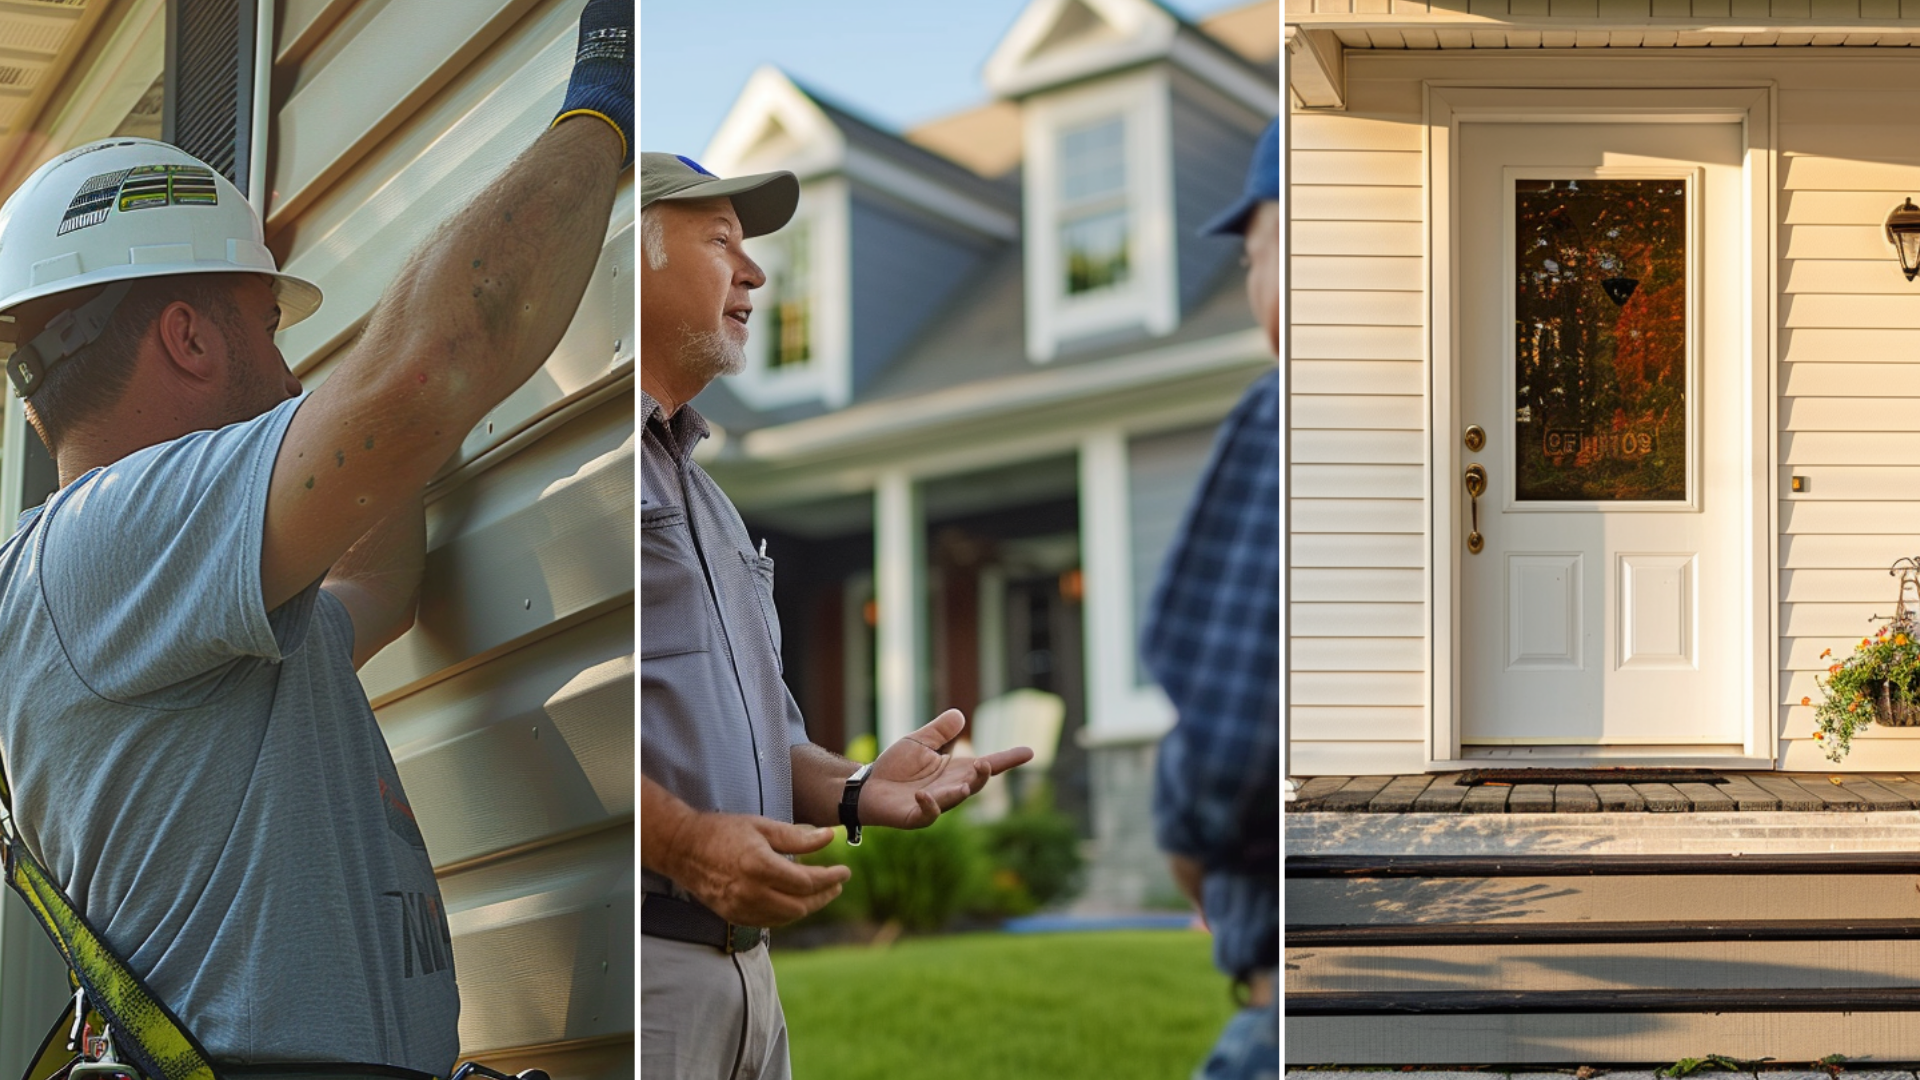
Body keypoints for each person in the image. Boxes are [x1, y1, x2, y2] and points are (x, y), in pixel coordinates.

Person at [0, 1, 631, 1072]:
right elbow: (428, 374)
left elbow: (375, 573)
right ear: (189, 336)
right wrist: (606, 99)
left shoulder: (176, 609)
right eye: (270, 327)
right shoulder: (97, 545)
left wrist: (387, 425)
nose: (292, 375)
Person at [637, 151, 1033, 1080]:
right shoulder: (592, 468)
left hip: (749, 979)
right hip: (646, 967)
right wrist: (688, 846)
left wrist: (860, 788)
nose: (756, 272)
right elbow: (562, 717)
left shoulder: (713, 505)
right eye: (722, 241)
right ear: (633, 257)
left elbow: (765, 740)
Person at [1140, 117, 1281, 1080]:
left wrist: (1185, 844)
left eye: (1255, 255)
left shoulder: (1293, 409)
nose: (1253, 291)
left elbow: (1228, 738)